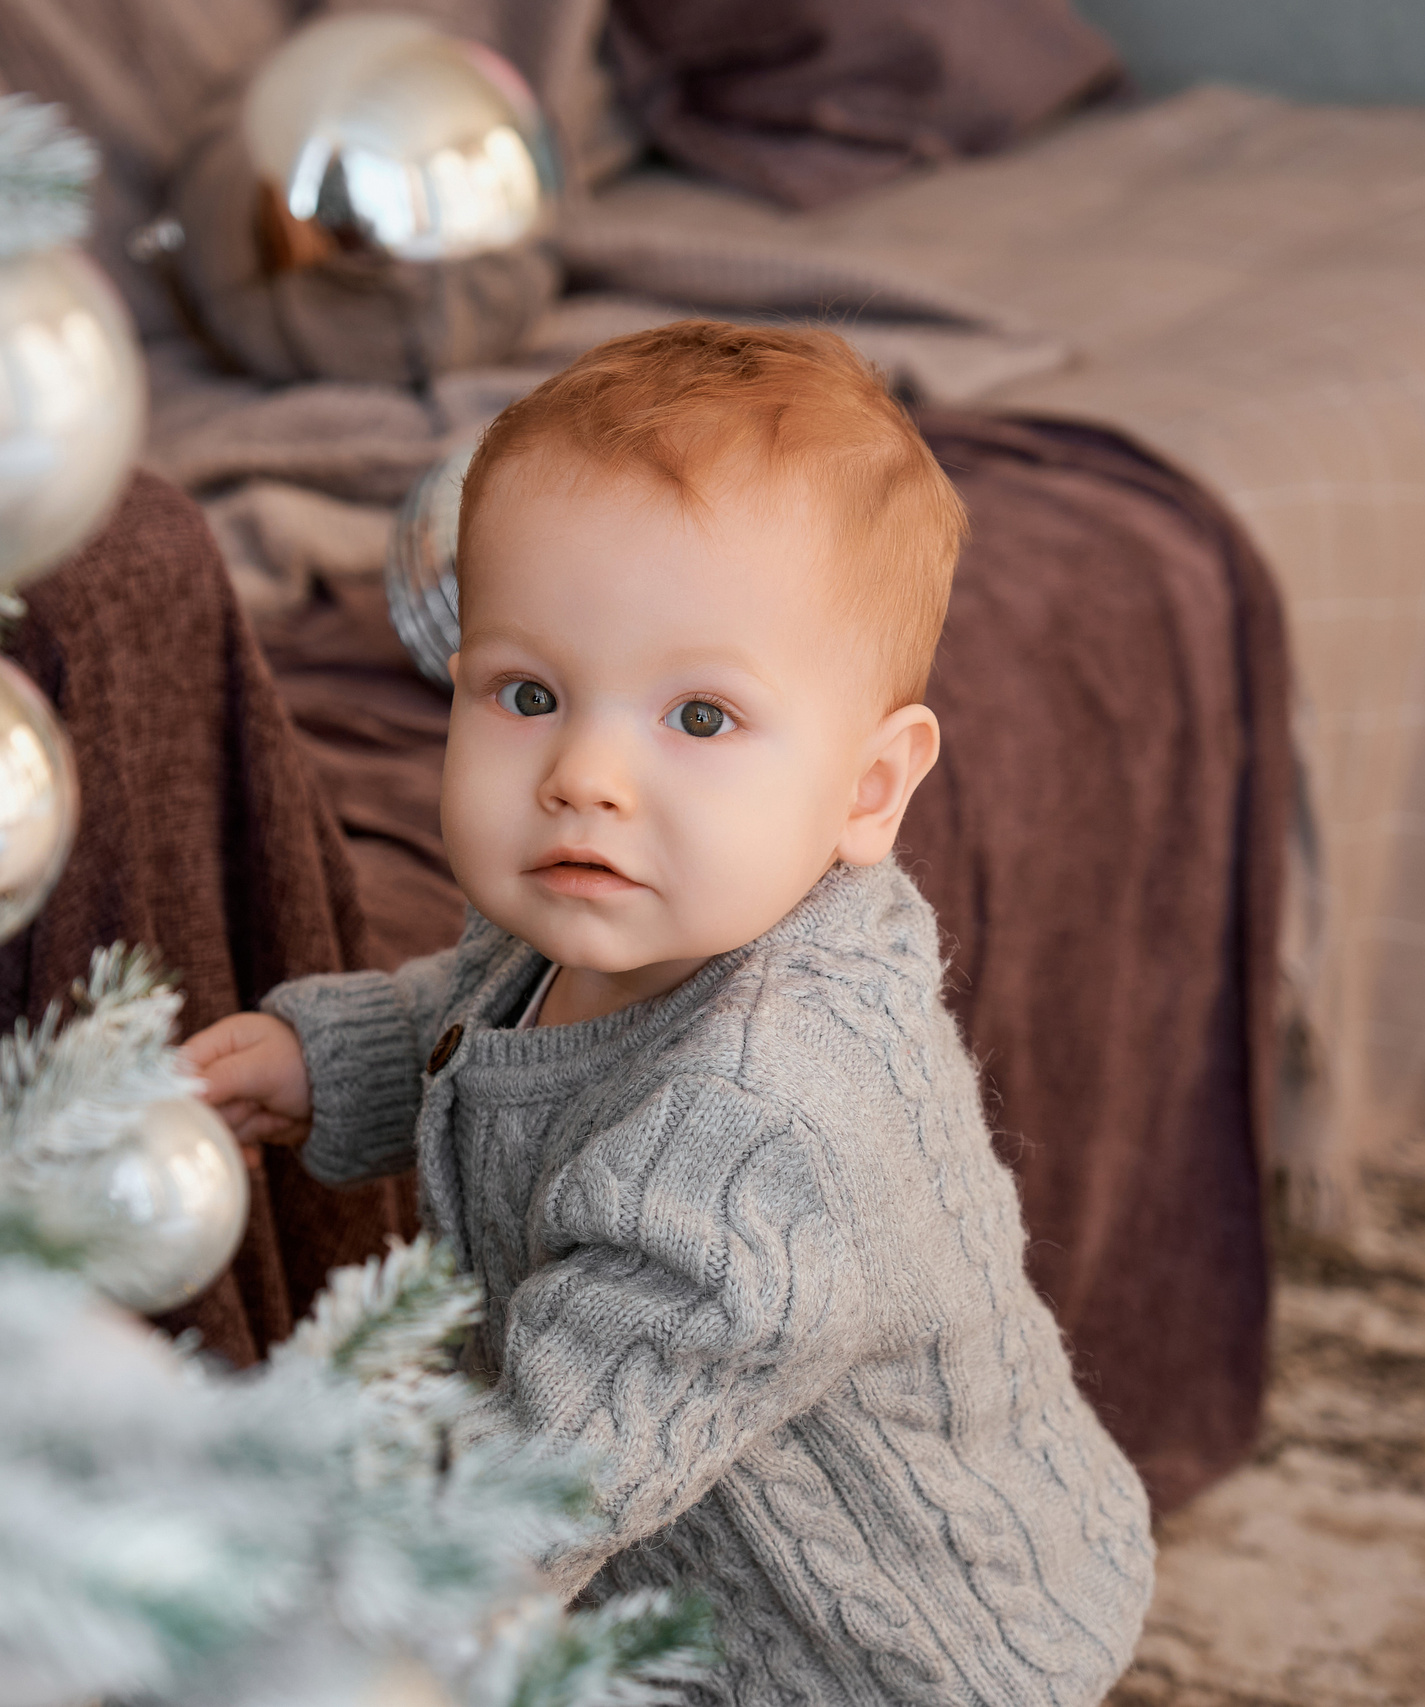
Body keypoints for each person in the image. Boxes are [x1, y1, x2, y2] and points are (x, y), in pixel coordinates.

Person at [181, 321, 1153, 1704]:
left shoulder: (765, 1126)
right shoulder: (637, 907)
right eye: (527, 694)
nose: (584, 773)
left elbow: (542, 1483)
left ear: (870, 789)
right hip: (679, 1555)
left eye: (698, 718)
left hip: (880, 1655)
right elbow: (479, 1010)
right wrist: (322, 1057)